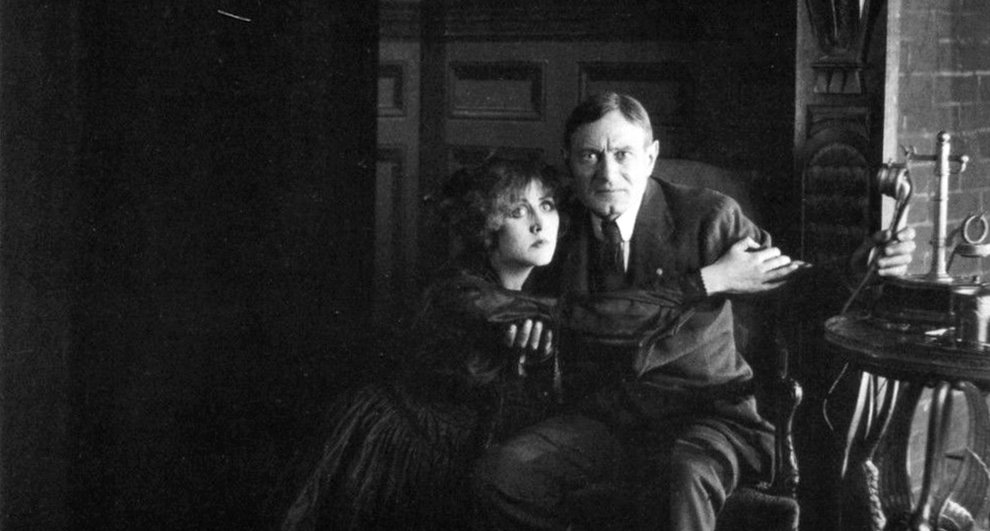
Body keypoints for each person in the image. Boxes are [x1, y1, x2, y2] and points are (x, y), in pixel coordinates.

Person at [472, 92, 916, 530]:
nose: (607, 174)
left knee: (682, 476)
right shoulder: (554, 226)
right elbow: (521, 300)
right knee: (504, 475)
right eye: (590, 156)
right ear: (568, 160)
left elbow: (795, 288)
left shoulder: (708, 216)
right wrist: (526, 329)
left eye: (623, 154)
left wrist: (859, 271)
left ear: (651, 157)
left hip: (710, 415)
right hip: (606, 418)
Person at [277, 157, 773, 530]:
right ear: (487, 227)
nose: (540, 223)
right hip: (407, 446)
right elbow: (589, 319)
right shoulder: (464, 292)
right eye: (518, 211)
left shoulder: (549, 282)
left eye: (548, 206)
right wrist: (706, 282)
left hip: (480, 442)